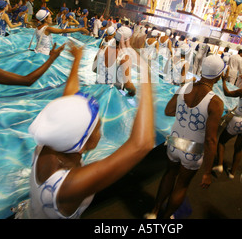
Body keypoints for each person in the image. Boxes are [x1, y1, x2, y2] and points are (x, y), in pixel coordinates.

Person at [15, 43, 155, 219]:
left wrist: (77, 59)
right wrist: (145, 72)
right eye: (97, 128)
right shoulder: (68, 186)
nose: (101, 132)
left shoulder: (47, 143)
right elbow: (141, 144)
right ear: (83, 144)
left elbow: (69, 98)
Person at [145, 55, 225, 219]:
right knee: (181, 185)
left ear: (202, 70)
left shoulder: (185, 88)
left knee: (169, 174)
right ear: (218, 75)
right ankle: (166, 217)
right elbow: (210, 140)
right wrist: (207, 172)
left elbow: (168, 111)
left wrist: (184, 113)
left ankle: (154, 211)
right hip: (192, 148)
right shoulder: (215, 102)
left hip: (174, 142)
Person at [93, 26, 136, 97]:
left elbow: (95, 69)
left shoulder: (103, 48)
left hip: (98, 88)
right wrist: (133, 91)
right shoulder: (124, 57)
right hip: (111, 95)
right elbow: (128, 85)